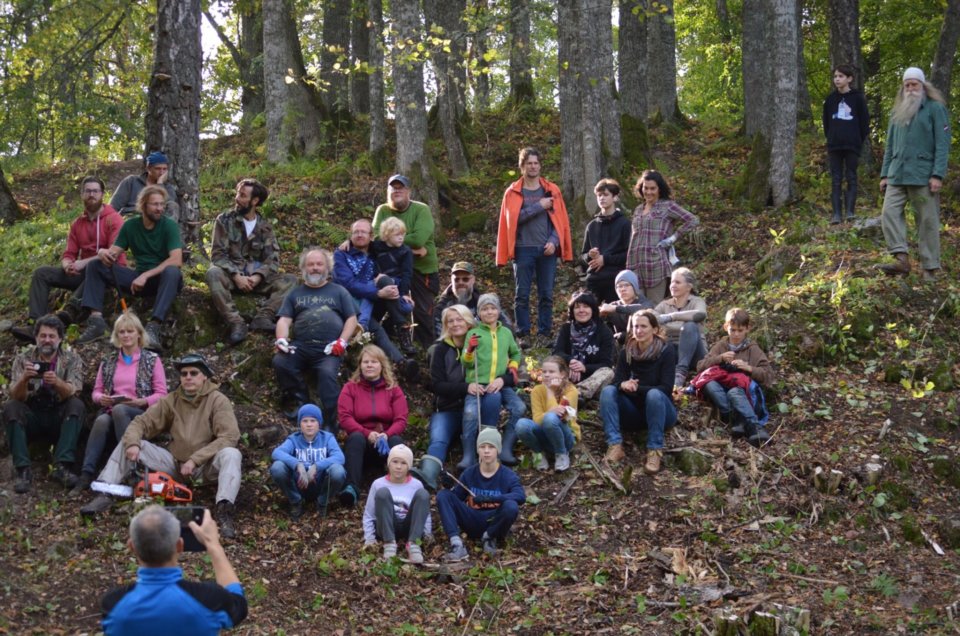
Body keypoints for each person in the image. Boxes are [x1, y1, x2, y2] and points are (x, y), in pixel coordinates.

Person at [80, 353, 243, 539]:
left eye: (193, 373)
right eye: (184, 374)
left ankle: (224, 509)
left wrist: (195, 460)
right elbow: (140, 423)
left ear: (204, 376)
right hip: (174, 464)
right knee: (133, 442)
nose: (188, 377)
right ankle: (105, 491)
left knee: (231, 454)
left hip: (205, 467)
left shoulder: (217, 400)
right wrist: (133, 444)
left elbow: (230, 436)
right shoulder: (171, 400)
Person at [100, 505, 247, 635]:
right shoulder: (209, 599)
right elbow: (239, 605)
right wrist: (213, 545)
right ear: (179, 545)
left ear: (132, 546)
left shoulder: (112, 604)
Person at [11, 177, 125, 341]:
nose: (91, 195)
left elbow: (111, 255)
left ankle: (67, 314)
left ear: (102, 194)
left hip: (108, 273)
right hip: (82, 273)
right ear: (82, 194)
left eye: (95, 191)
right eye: (87, 191)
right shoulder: (78, 224)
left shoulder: (113, 219)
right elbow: (69, 253)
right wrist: (67, 265)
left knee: (97, 266)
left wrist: (82, 263)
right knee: (41, 273)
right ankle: (35, 325)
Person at [76, 185, 183, 348]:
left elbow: (176, 259)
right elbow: (113, 253)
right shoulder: (131, 226)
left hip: (161, 279)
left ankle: (154, 326)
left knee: (172, 271)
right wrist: (104, 252)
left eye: (162, 204)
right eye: (155, 204)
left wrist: (146, 275)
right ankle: (96, 320)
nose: (159, 208)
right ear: (143, 205)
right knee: (96, 264)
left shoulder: (169, 226)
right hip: (138, 278)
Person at [76, 312, 168, 493]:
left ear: (139, 334)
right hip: (113, 410)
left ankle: (131, 468)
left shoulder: (152, 360)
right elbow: (96, 390)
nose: (125, 335)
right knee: (102, 420)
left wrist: (142, 401)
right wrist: (100, 398)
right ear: (116, 336)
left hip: (143, 413)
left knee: (120, 410)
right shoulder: (108, 361)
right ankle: (86, 474)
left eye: (130, 331)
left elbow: (162, 394)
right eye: (121, 332)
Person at [877, 67, 951, 281]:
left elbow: (943, 144)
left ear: (922, 86)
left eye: (914, 84)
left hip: (923, 175)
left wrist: (938, 174)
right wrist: (884, 175)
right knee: (889, 213)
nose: (910, 89)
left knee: (927, 221)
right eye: (907, 85)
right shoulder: (897, 111)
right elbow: (890, 146)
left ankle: (930, 268)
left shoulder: (935, 109)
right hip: (897, 175)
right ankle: (901, 258)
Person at [496, 147, 573, 346]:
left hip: (546, 249)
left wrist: (554, 242)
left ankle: (544, 334)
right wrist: (539, 206)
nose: (533, 166)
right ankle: (523, 335)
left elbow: (561, 221)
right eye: (529, 163)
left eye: (536, 163)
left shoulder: (551, 189)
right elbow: (512, 221)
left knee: (546, 294)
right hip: (522, 249)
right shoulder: (513, 192)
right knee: (522, 294)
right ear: (522, 166)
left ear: (540, 165)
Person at [272, 247, 358, 427]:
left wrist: (342, 341)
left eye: (319, 264)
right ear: (304, 268)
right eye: (310, 264)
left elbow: (351, 319)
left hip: (329, 348)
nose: (315, 268)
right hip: (301, 345)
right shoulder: (295, 293)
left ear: (327, 267)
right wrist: (281, 339)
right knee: (281, 362)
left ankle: (329, 420)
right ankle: (301, 402)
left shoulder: (339, 291)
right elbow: (284, 320)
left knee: (327, 374)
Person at [207, 179, 297, 345]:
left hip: (257, 280)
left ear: (255, 201)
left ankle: (263, 318)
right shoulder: (224, 220)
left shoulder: (265, 227)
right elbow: (218, 254)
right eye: (237, 194)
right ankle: (236, 322)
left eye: (242, 195)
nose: (237, 198)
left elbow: (273, 258)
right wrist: (236, 275)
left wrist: (257, 277)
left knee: (291, 281)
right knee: (213, 273)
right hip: (232, 277)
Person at [2, 315, 84, 493]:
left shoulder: (71, 359)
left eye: (52, 336)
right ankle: (23, 470)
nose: (47, 340)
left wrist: (57, 382)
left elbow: (74, 390)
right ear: (36, 337)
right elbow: (16, 396)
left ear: (60, 339)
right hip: (33, 414)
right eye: (43, 336)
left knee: (76, 405)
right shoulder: (23, 359)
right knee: (11, 408)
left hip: (58, 414)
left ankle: (61, 466)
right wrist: (24, 379)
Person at [333, 218, 414, 377]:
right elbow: (347, 283)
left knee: (401, 302)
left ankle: (402, 346)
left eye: (363, 232)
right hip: (349, 304)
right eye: (355, 232)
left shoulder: (376, 251)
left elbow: (398, 272)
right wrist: (377, 291)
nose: (359, 235)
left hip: (374, 302)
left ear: (371, 236)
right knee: (377, 330)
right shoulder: (342, 253)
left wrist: (399, 291)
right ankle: (400, 360)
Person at [599, 310, 678, 474]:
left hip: (661, 412)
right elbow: (616, 382)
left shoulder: (666, 350)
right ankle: (615, 445)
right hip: (633, 413)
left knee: (654, 395)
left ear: (655, 330)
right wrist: (623, 384)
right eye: (635, 326)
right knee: (608, 391)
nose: (639, 330)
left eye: (644, 326)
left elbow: (666, 388)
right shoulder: (626, 351)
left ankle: (654, 451)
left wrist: (636, 388)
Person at [437, 427, 526, 561]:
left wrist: (492, 498)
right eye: (482, 447)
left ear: (498, 450)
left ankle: (489, 538)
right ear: (478, 450)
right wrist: (449, 486)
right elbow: (456, 498)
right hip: (471, 518)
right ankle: (457, 544)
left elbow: (520, 496)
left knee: (511, 506)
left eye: (491, 447)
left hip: (494, 522)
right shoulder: (469, 473)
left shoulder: (508, 475)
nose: (486, 451)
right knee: (443, 495)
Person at [413, 305, 476, 490]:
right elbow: (437, 386)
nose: (456, 324)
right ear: (445, 325)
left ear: (468, 321)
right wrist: (466, 387)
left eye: (460, 319)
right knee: (438, 439)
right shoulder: (440, 350)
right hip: (447, 408)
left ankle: (472, 481)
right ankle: (428, 476)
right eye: (451, 321)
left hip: (473, 408)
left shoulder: (480, 344)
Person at [337, 344, 409, 508]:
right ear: (360, 365)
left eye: (374, 362)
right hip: (361, 443)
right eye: (366, 362)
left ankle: (400, 487)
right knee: (355, 438)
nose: (369, 365)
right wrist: (366, 433)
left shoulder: (394, 390)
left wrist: (387, 434)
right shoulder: (350, 388)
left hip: (385, 443)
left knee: (397, 441)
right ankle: (351, 488)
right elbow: (345, 417)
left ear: (382, 365)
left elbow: (401, 419)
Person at [372, 174, 439, 348]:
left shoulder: (421, 209)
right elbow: (377, 238)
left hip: (421, 269)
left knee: (423, 312)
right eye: (393, 188)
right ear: (388, 191)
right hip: (391, 268)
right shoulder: (383, 210)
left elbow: (419, 239)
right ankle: (379, 342)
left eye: (401, 187)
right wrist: (412, 251)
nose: (397, 190)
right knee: (385, 306)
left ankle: (427, 351)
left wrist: (394, 241)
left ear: (409, 191)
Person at [694, 308, 774, 447]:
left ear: (747, 329)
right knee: (709, 384)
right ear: (726, 327)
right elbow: (700, 367)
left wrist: (748, 368)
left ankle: (754, 427)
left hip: (746, 394)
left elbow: (768, 376)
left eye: (740, 330)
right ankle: (735, 419)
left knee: (734, 392)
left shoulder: (752, 349)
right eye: (732, 330)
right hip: (722, 391)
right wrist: (719, 358)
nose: (736, 334)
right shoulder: (720, 346)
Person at [462, 294, 526, 467]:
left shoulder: (505, 333)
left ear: (498, 311)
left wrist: (511, 369)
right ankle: (468, 454)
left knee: (519, 407)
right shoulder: (473, 333)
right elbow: (465, 362)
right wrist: (469, 349)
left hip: (499, 383)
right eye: (484, 309)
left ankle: (505, 448)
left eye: (492, 308)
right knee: (470, 413)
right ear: (479, 313)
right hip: (477, 382)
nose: (489, 312)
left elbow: (515, 353)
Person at [625, 170, 699, 303]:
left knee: (654, 310)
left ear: (659, 189)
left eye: (653, 188)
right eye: (645, 188)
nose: (648, 192)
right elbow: (633, 238)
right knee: (637, 308)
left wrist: (673, 238)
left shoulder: (668, 206)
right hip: (636, 265)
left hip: (656, 265)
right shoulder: (638, 209)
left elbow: (692, 220)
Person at [270, 404, 347, 520]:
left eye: (313, 420)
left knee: (338, 470)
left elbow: (340, 457)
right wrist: (298, 465)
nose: (309, 425)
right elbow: (276, 453)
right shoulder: (294, 439)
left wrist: (316, 466)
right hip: (299, 484)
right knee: (277, 467)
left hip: (320, 483)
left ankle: (322, 502)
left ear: (319, 423)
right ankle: (295, 501)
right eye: (305, 421)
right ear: (299, 424)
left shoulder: (327, 438)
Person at [362, 444, 432, 564]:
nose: (398, 467)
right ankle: (389, 544)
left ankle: (413, 545)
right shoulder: (378, 484)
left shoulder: (416, 484)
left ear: (409, 466)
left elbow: (424, 513)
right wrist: (369, 538)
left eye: (403, 463)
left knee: (423, 494)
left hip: (408, 526)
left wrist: (427, 533)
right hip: (386, 525)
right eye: (395, 462)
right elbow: (369, 514)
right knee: (383, 493)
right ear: (389, 463)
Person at [822, 64, 870, 224]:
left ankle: (850, 211)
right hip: (835, 145)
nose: (837, 79)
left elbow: (864, 123)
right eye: (835, 76)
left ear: (849, 79)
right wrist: (831, 138)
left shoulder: (857, 98)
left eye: (841, 76)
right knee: (836, 179)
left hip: (852, 145)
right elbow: (826, 123)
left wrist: (857, 139)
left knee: (851, 177)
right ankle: (836, 214)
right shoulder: (830, 100)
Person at [516, 355, 580, 472]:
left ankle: (561, 454)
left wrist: (550, 391)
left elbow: (562, 417)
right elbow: (537, 420)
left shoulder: (571, 390)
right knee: (521, 424)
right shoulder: (537, 390)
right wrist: (550, 409)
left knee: (551, 418)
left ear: (562, 374)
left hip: (566, 438)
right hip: (545, 436)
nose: (546, 375)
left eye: (551, 371)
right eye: (544, 371)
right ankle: (539, 453)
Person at [552, 290, 615, 400]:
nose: (581, 310)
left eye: (585, 306)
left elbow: (606, 364)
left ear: (593, 310)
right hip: (568, 375)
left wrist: (584, 367)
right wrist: (571, 361)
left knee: (608, 372)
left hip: (593, 380)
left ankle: (578, 394)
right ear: (572, 311)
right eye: (577, 307)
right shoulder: (566, 329)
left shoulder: (604, 331)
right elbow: (557, 352)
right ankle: (563, 392)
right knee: (551, 364)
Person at [578, 179, 632, 303]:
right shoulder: (591, 226)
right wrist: (590, 256)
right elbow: (583, 256)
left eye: (606, 195)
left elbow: (629, 255)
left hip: (616, 279)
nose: (602, 198)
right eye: (599, 195)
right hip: (594, 279)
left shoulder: (625, 224)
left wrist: (605, 259)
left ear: (615, 197)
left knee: (614, 318)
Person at [654, 267, 707, 390]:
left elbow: (700, 314)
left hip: (696, 354)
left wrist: (671, 317)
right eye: (672, 282)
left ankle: (681, 372)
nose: (672, 285)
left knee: (689, 326)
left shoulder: (696, 301)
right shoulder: (664, 305)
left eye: (677, 282)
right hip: (672, 353)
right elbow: (651, 316)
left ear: (689, 287)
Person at [368, 216, 416, 355]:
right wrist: (347, 242)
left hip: (397, 285)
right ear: (387, 236)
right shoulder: (376, 246)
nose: (401, 238)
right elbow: (361, 245)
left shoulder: (405, 251)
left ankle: (389, 328)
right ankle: (402, 329)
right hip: (377, 284)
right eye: (397, 235)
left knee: (407, 306)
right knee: (385, 280)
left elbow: (407, 273)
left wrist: (404, 293)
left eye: (403, 234)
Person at [433, 261, 513, 336]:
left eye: (465, 279)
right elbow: (438, 336)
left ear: (473, 280)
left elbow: (507, 325)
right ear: (451, 281)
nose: (461, 282)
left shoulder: (483, 302)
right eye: (457, 279)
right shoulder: (442, 307)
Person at [110, 151, 179, 220]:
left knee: (173, 205)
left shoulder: (168, 188)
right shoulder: (131, 181)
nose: (161, 173)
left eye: (164, 169)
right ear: (148, 168)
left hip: (155, 222)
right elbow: (113, 207)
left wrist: (160, 184)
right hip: (132, 218)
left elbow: (169, 209)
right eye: (158, 169)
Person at [598, 270, 654, 345]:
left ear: (634, 286)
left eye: (627, 285)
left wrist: (616, 309)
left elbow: (643, 309)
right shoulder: (613, 305)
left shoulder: (645, 302)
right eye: (619, 286)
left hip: (644, 343)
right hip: (621, 346)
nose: (623, 289)